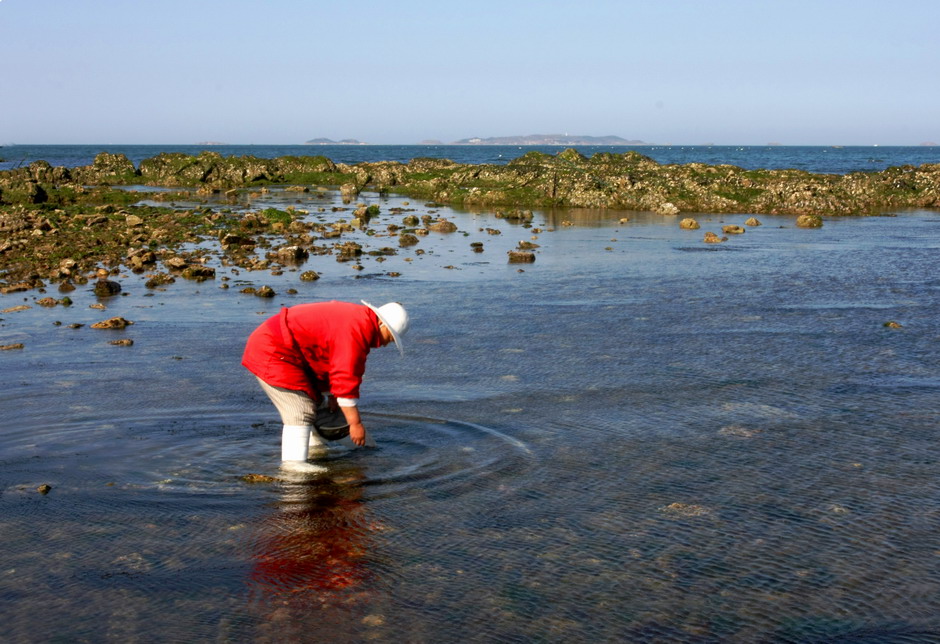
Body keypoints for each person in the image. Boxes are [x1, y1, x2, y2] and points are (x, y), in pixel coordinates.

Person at [242, 299, 409, 472]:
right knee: (300, 409)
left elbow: (327, 359)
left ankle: (315, 451)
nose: (385, 344)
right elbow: (346, 376)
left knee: (317, 404)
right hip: (273, 350)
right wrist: (355, 423)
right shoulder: (356, 330)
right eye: (389, 337)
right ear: (381, 323)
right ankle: (293, 467)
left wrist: (330, 394)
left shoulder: (357, 321)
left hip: (290, 352)